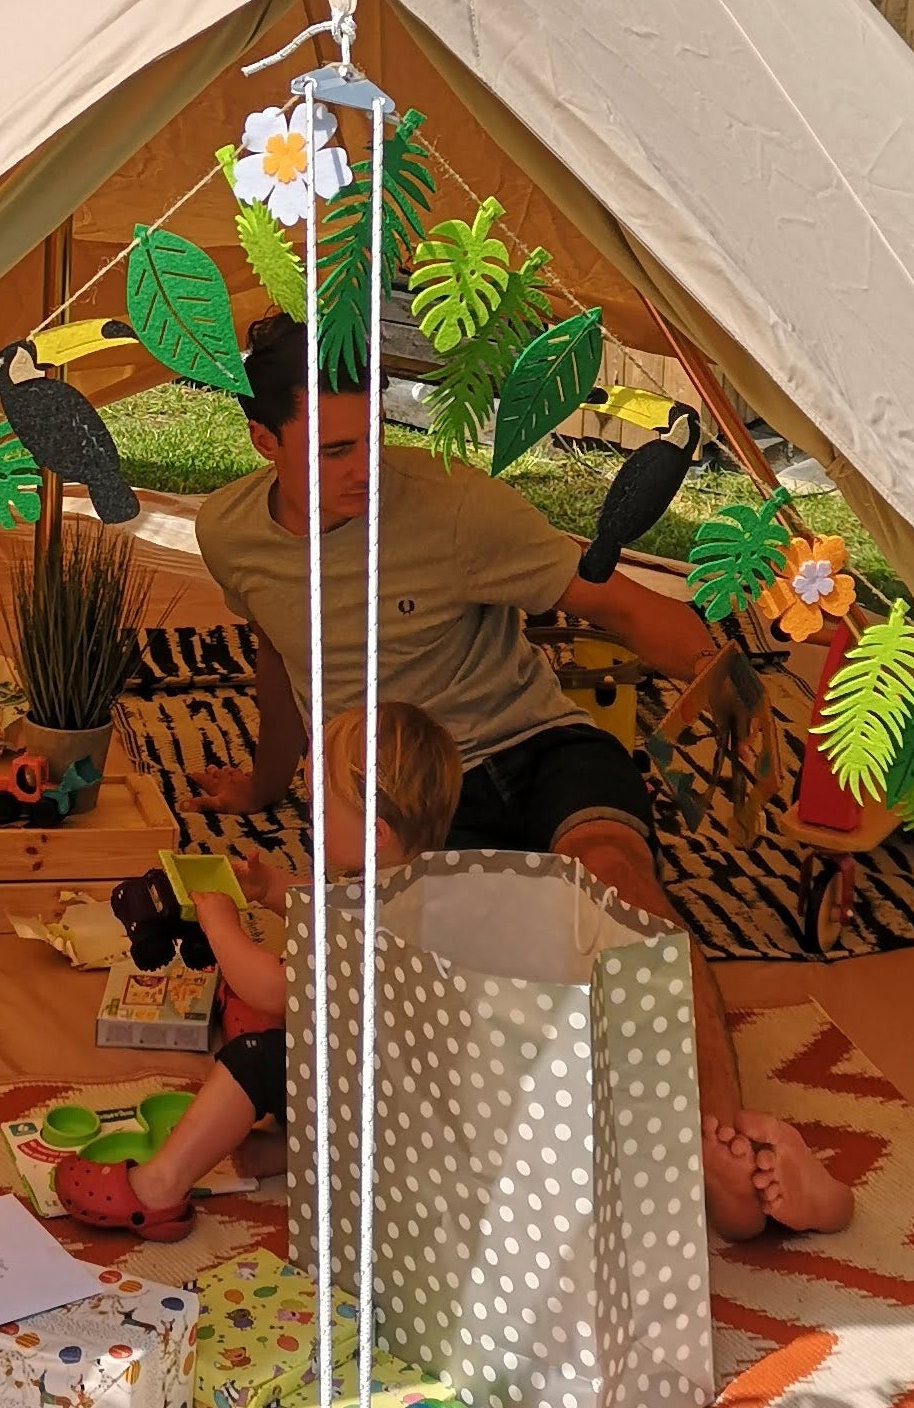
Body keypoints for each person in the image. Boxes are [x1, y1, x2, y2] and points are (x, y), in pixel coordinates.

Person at [190, 312, 852, 1241]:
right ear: (265, 441)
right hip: (409, 789)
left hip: (535, 741)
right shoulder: (228, 533)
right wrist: (266, 781)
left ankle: (728, 1152)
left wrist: (732, 690)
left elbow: (614, 604)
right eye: (334, 450)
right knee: (436, 985)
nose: (366, 467)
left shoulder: (455, 508)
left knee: (622, 893)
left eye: (373, 436)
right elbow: (276, 648)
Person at [53, 702, 461, 1242]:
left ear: (375, 833)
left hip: (378, 1113)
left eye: (321, 814)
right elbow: (330, 908)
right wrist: (272, 889)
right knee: (256, 1022)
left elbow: (273, 989)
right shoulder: (413, 884)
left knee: (256, 1054)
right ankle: (300, 1148)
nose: (310, 822)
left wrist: (221, 923)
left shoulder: (372, 920)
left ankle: (157, 1189)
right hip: (389, 1092)